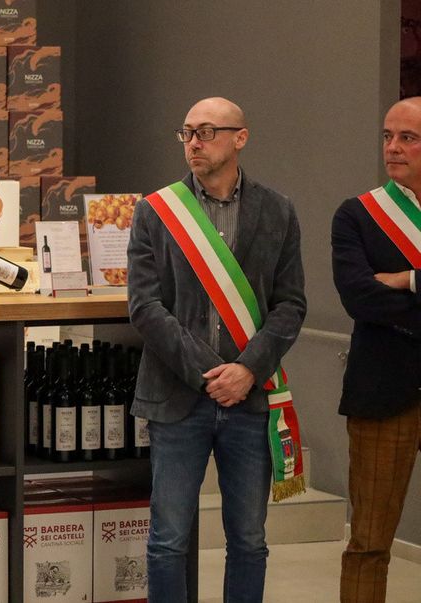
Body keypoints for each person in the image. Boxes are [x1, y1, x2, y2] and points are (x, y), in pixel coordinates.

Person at [127, 97, 306, 602]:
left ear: (239, 138)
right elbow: (144, 307)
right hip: (177, 396)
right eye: (186, 133)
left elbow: (290, 304)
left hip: (249, 399)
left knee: (248, 540)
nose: (193, 143)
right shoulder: (156, 211)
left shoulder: (278, 210)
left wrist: (246, 371)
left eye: (206, 132)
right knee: (168, 540)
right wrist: (213, 373)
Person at [332, 97, 421, 603]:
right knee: (369, 542)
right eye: (388, 136)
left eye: (408, 137)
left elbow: (387, 297)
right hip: (384, 389)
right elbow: (360, 298)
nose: (393, 147)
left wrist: (409, 280)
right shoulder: (358, 215)